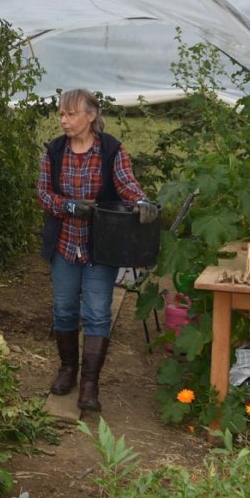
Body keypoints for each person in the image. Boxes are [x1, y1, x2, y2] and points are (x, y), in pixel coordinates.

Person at [36, 89, 159, 411]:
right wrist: (68, 206)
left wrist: (141, 202)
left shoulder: (111, 150)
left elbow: (126, 184)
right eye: (61, 114)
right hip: (64, 243)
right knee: (64, 309)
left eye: (71, 114)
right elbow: (43, 194)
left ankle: (90, 384)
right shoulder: (54, 151)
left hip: (101, 246)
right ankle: (67, 370)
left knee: (97, 313)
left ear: (91, 116)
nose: (64, 120)